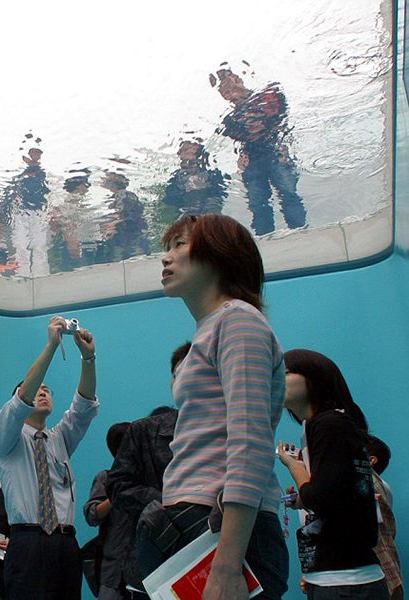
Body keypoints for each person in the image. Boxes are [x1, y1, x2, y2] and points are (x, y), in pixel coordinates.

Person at [137, 213, 289, 600]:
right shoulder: (210, 329)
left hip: (221, 530)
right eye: (167, 247)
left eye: (180, 244)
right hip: (199, 523)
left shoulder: (237, 321)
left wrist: (226, 566)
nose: (166, 257)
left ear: (220, 254)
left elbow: (251, 440)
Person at [0, 316, 99, 600]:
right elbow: (21, 400)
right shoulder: (8, 438)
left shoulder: (59, 438)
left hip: (65, 543)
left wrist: (88, 358)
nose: (43, 392)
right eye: (37, 389)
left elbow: (84, 407)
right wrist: (52, 346)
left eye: (47, 390)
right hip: (28, 543)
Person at [276, 349, 387, 599]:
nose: (275, 379)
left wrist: (294, 467)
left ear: (315, 379)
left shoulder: (329, 424)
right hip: (344, 578)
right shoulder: (329, 425)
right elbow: (339, 495)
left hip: (344, 583)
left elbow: (320, 499)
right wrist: (303, 497)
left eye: (284, 372)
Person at [96, 342, 190, 599]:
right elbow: (118, 487)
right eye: (180, 373)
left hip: (213, 561)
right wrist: (167, 501)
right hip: (152, 565)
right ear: (173, 381)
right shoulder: (143, 432)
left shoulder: (228, 429)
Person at [212, 67, 306, 235]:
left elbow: (280, 117)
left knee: (288, 192)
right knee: (257, 201)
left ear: (238, 79)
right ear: (222, 94)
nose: (226, 85)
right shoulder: (229, 120)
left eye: (228, 79)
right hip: (253, 159)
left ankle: (300, 232)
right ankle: (264, 237)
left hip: (277, 152)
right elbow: (240, 136)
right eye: (222, 85)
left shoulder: (269, 95)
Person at [83, 421, 131, 600]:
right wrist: (114, 497)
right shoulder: (106, 478)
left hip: (145, 571)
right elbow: (92, 515)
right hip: (113, 571)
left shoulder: (150, 478)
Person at [368, 436, 404, 600]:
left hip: (377, 575)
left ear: (371, 460)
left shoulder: (372, 483)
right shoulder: (382, 487)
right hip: (387, 574)